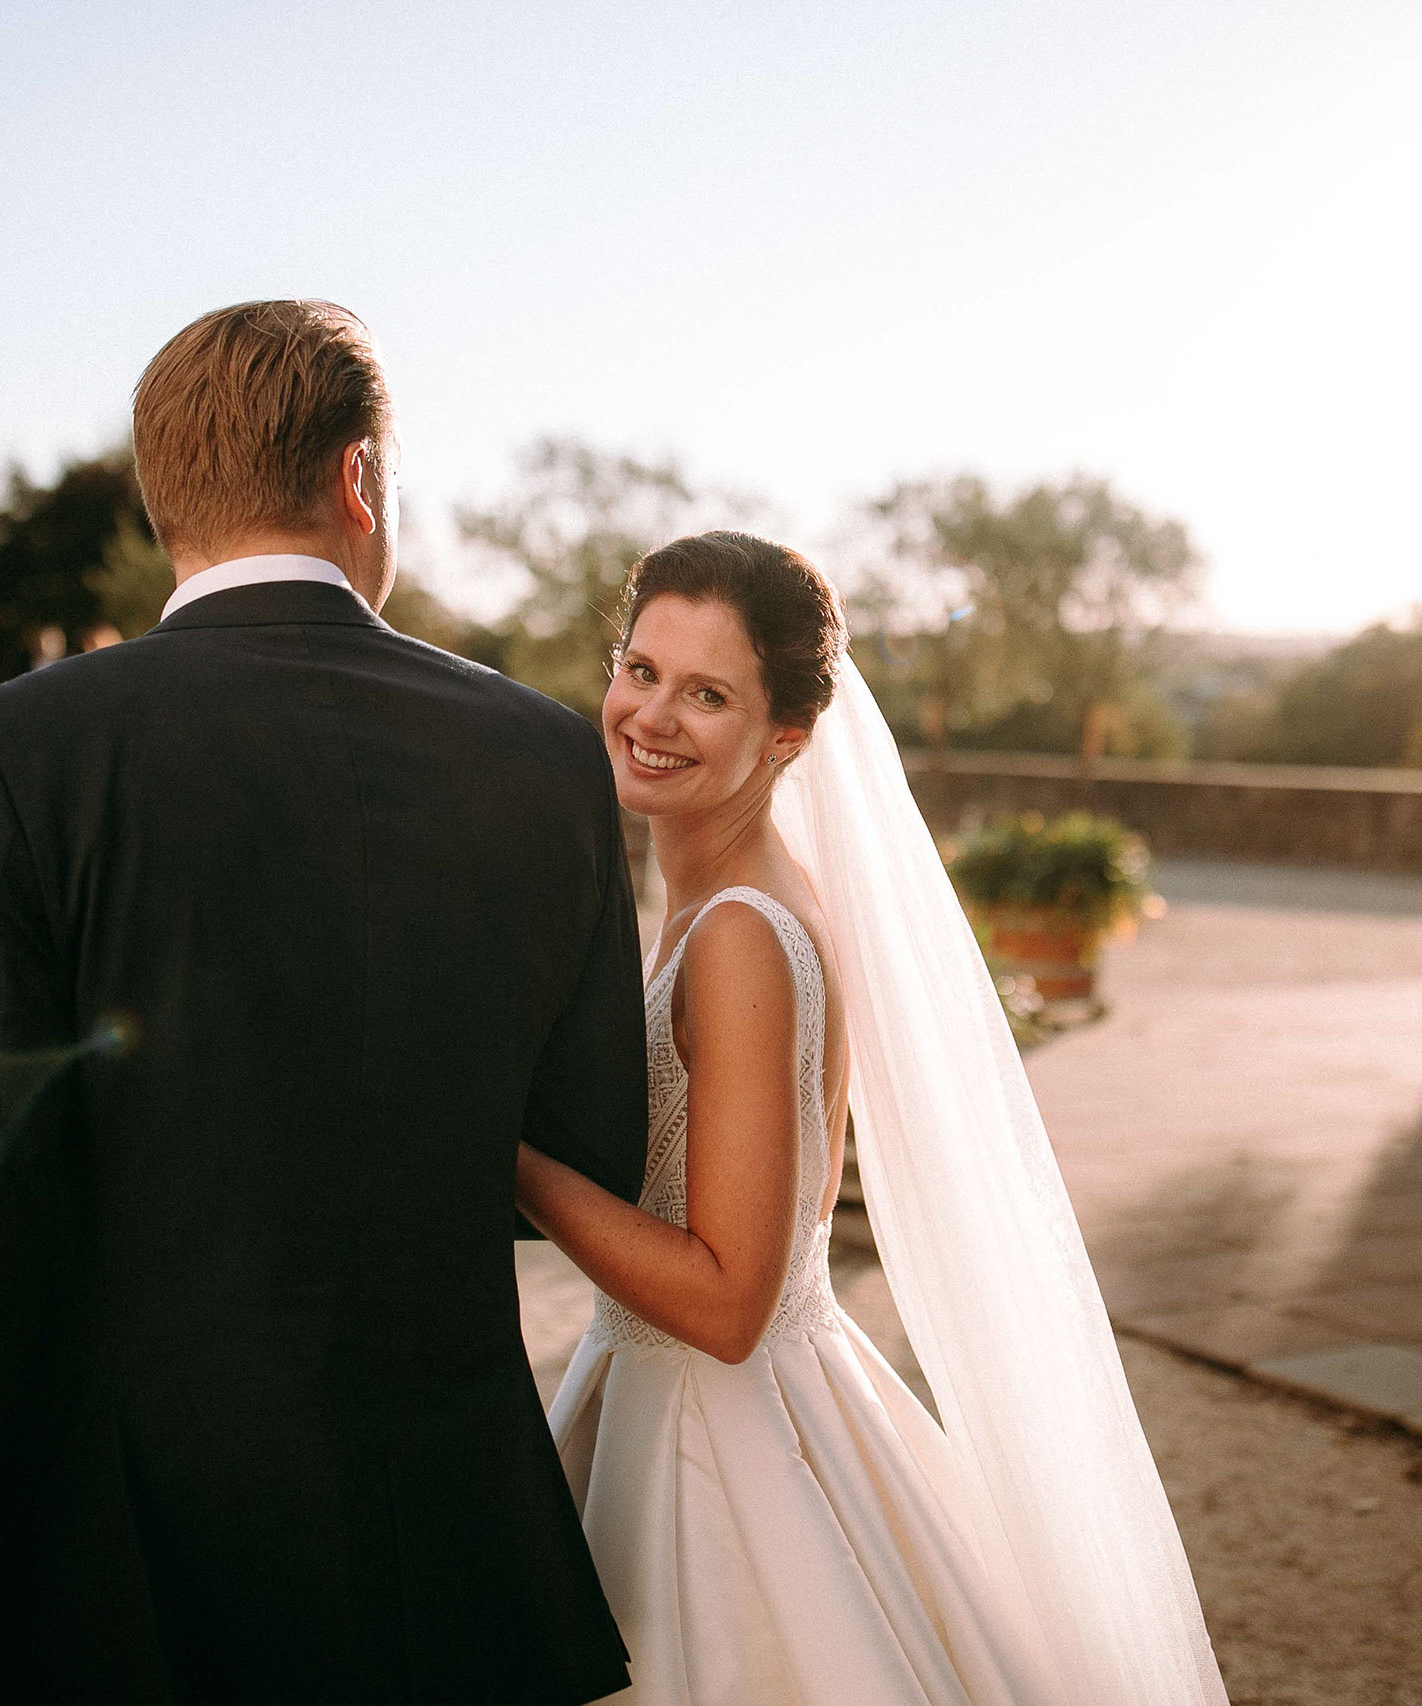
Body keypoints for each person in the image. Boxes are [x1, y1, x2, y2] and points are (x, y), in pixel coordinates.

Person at [0, 300, 648, 1705]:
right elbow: (585, 1154)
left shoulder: (19, 753)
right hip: (439, 1556)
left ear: (162, 503)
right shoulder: (547, 753)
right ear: (361, 478)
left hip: (120, 1569)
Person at [519, 533, 1228, 1703]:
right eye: (639, 668)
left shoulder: (741, 934)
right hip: (708, 1406)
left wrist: (512, 1156)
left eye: (707, 693)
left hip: (714, 1441)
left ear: (785, 734)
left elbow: (728, 1300)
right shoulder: (727, 895)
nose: (651, 713)